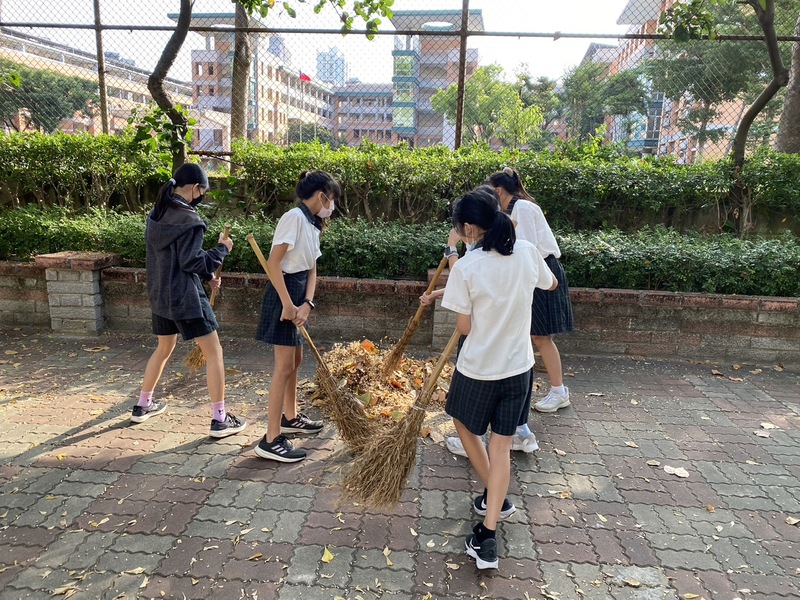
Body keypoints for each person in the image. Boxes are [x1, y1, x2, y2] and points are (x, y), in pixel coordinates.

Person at [440, 186, 556, 570]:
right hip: (519, 367)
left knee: (462, 422)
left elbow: (465, 326)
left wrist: (457, 266)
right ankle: (489, 529)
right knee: (502, 446)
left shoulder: (468, 267)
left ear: (471, 228)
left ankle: (496, 495)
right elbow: (550, 283)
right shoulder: (525, 250)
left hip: (478, 368)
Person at [132, 163, 247, 440]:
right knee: (214, 353)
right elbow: (190, 260)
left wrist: (208, 274)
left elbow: (178, 259)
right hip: (185, 298)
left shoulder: (157, 213)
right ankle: (220, 420)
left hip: (160, 294)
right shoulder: (191, 220)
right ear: (195, 187)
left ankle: (142, 405)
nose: (201, 196)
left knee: (164, 347)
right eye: (202, 191)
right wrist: (222, 249)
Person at [253, 171, 341, 463]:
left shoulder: (312, 223)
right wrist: (288, 304)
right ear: (321, 196)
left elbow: (312, 269)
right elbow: (273, 263)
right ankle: (271, 438)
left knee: (296, 361)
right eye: (332, 200)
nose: (332, 206)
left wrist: (307, 304)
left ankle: (290, 417)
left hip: (299, 293)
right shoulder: (293, 218)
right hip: (284, 292)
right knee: (283, 366)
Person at [487, 166, 574, 414]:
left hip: (541, 271)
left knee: (540, 335)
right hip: (531, 270)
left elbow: (525, 248)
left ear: (499, 190)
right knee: (527, 334)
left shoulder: (523, 208)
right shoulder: (511, 208)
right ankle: (528, 387)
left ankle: (559, 391)